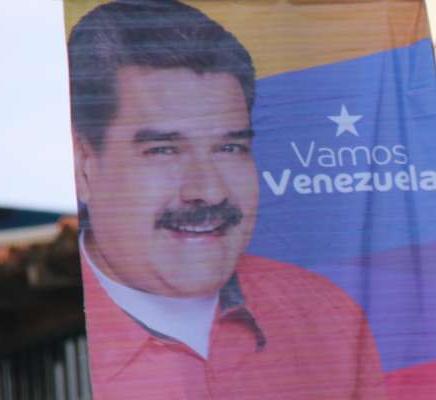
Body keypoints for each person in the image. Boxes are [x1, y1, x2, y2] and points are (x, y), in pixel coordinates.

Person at [67, 1, 386, 398]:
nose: (210, 190)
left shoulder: (326, 318)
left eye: (229, 148)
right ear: (83, 167)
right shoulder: (57, 352)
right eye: (163, 150)